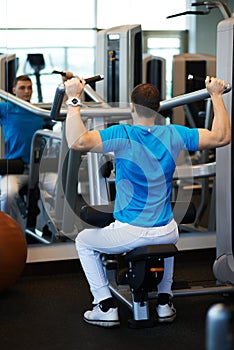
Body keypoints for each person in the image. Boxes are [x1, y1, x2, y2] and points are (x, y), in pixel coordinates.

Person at [64, 76, 230, 328]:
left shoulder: (122, 134)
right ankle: (164, 301)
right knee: (168, 230)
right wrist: (216, 95)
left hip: (132, 231)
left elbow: (78, 141)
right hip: (167, 231)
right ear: (159, 108)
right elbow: (221, 137)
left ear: (132, 107)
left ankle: (104, 306)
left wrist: (73, 98)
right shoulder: (174, 133)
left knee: (84, 241)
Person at [0, 75, 47, 223]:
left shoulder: (39, 111)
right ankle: (11, 229)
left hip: (40, 169)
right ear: (14, 90)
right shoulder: (6, 109)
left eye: (29, 88)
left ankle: (52, 228)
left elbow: (62, 109)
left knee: (60, 189)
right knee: (7, 194)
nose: (26, 91)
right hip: (15, 169)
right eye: (22, 88)